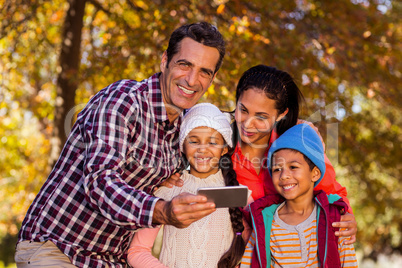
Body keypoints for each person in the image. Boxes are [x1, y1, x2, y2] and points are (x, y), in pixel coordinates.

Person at [15, 22, 226, 267]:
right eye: (184, 64)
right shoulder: (123, 101)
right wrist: (162, 210)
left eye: (204, 72)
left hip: (111, 260)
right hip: (57, 247)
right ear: (164, 61)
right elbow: (100, 180)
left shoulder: (184, 130)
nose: (191, 80)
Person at [231, 65, 357, 243]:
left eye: (261, 117)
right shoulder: (216, 144)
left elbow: (334, 195)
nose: (248, 123)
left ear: (282, 114)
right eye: (243, 110)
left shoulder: (300, 143)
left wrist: (347, 219)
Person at [127, 103, 248, 268]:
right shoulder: (169, 189)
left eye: (212, 143)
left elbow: (250, 248)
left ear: (225, 149)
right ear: (182, 146)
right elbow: (137, 250)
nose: (202, 149)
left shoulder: (238, 194)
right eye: (194, 141)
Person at [240, 123, 358, 267]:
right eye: (277, 169)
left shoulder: (334, 219)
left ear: (315, 173)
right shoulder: (264, 223)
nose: (284, 176)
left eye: (293, 167)